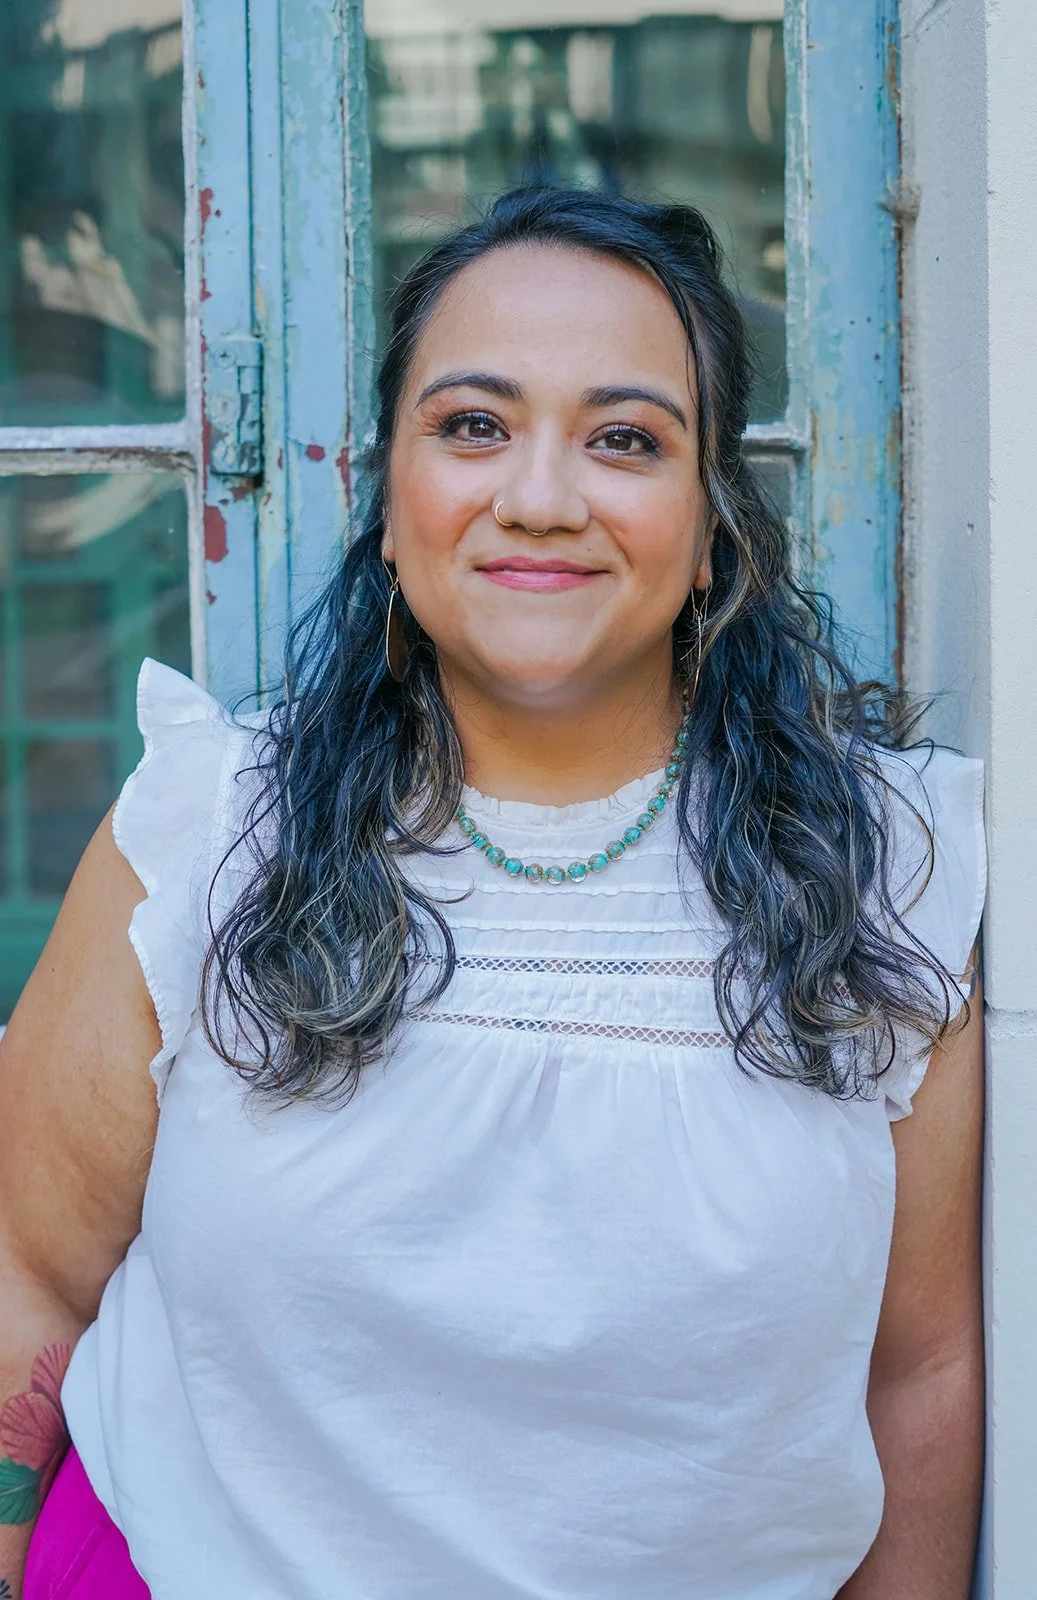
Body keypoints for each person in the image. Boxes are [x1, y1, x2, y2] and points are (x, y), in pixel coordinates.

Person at [0, 187, 985, 1600]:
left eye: (625, 438)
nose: (540, 496)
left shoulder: (888, 874)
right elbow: (24, 1278)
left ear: (712, 528)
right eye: (473, 426)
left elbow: (920, 1370)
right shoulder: (211, 832)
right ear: (391, 504)